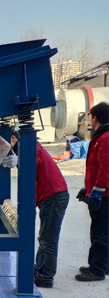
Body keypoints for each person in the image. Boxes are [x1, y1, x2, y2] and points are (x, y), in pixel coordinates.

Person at [2, 132, 69, 288]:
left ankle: (45, 277)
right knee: (44, 237)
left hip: (53, 195)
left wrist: (19, 160)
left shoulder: (27, 145)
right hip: (50, 195)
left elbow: (36, 161)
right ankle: (39, 269)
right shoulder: (23, 146)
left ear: (13, 138)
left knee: (48, 239)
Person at [75, 101, 109, 282]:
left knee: (99, 233)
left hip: (104, 196)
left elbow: (105, 167)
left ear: (95, 118)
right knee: (102, 231)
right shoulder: (102, 136)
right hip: (101, 193)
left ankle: (97, 270)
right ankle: (102, 264)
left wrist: (97, 191)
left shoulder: (105, 138)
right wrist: (87, 189)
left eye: (90, 117)